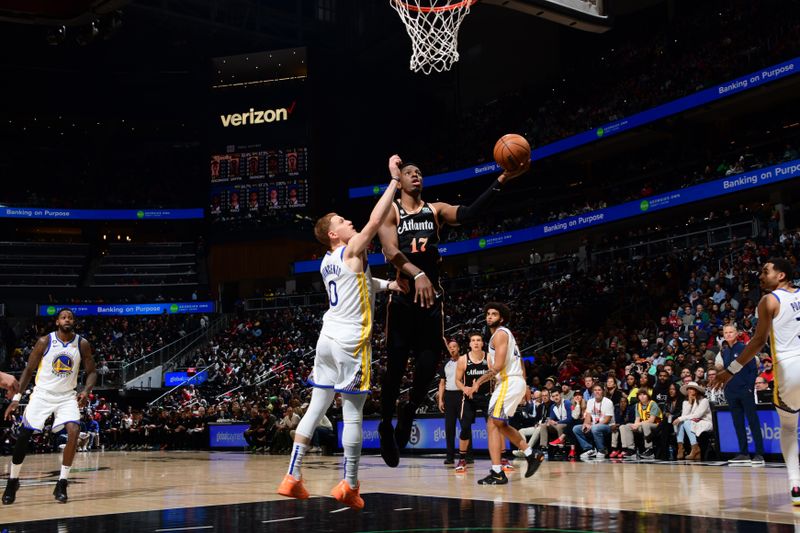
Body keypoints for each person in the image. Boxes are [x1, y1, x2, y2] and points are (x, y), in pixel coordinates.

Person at [376, 159, 528, 467]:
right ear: (400, 181)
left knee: (428, 369)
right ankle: (384, 424)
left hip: (431, 302)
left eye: (419, 172)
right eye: (409, 173)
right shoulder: (391, 210)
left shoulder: (435, 210)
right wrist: (416, 273)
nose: (415, 175)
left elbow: (471, 213)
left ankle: (408, 413)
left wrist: (501, 179)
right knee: (393, 370)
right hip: (404, 302)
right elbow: (391, 251)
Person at [276, 155, 407, 510]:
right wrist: (393, 182)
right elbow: (376, 220)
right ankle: (349, 484)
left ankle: (292, 476)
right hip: (351, 341)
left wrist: (390, 286)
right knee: (352, 414)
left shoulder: (328, 261)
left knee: (315, 408)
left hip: (327, 339)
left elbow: (360, 285)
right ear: (334, 234)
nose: (350, 222)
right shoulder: (352, 248)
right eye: (342, 221)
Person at [710, 258, 800, 503]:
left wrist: (731, 370)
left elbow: (759, 341)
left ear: (781, 275)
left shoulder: (769, 300)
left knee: (790, 427)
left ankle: (795, 485)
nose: (760, 275)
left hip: (791, 367)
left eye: (765, 271)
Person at [3, 308, 97, 504]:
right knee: (23, 436)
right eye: (63, 317)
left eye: (70, 317)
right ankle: (13, 480)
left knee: (74, 430)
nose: (67, 319)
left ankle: (62, 483)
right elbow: (29, 370)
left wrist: (86, 391)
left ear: (74, 322)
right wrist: (16, 397)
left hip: (66, 396)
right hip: (42, 394)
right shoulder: (45, 341)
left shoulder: (82, 344)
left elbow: (92, 372)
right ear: (57, 322)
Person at [467, 302, 543, 484]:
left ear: (501, 318)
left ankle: (498, 472)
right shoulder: (504, 336)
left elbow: (499, 367)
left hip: (508, 382)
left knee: (493, 423)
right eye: (487, 314)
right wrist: (524, 384)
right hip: (511, 382)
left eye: (494, 314)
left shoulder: (500, 334)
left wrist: (477, 382)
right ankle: (530, 455)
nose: (489, 316)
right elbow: (520, 361)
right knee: (497, 424)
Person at [716, 324, 764, 466]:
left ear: (737, 334)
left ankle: (759, 454)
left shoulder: (744, 348)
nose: (728, 334)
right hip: (731, 392)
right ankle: (744, 453)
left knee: (753, 422)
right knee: (738, 423)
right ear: (723, 335)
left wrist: (749, 388)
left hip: (745, 391)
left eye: (731, 332)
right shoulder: (724, 352)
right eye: (726, 332)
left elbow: (752, 370)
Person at [454, 331, 490, 473]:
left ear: (482, 343)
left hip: (487, 396)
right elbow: (457, 380)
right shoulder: (463, 359)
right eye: (473, 340)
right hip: (469, 397)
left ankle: (502, 458)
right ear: (469, 344)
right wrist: (465, 388)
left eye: (478, 340)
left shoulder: (489, 358)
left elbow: (494, 373)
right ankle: (462, 459)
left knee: (495, 426)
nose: (476, 342)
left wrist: (480, 383)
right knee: (465, 427)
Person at [572, 384, 613, 460]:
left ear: (603, 392)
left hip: (607, 426)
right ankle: (589, 449)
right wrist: (585, 424)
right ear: (593, 392)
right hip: (594, 426)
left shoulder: (608, 402)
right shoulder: (590, 401)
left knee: (595, 428)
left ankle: (602, 450)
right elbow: (588, 415)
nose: (597, 392)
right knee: (576, 428)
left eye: (599, 390)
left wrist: (592, 426)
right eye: (595, 390)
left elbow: (607, 419)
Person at [437, 339, 462, 465]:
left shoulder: (464, 360)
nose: (452, 349)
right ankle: (450, 457)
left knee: (465, 427)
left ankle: (467, 456)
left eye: (454, 346)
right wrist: (441, 399)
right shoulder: (445, 363)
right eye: (450, 347)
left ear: (458, 348)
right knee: (449, 428)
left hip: (462, 395)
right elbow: (442, 383)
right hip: (449, 396)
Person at [674, 381, 712, 461]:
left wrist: (680, 418)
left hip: (704, 422)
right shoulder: (685, 402)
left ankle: (695, 447)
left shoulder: (704, 400)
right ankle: (680, 448)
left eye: (692, 389)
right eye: (688, 389)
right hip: (693, 422)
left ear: (696, 390)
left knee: (685, 421)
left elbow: (697, 415)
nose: (689, 391)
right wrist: (690, 403)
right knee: (681, 422)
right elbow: (684, 415)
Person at [618, 389, 662, 459]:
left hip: (656, 425)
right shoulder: (638, 405)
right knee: (625, 426)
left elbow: (651, 420)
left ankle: (650, 450)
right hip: (643, 425)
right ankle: (630, 449)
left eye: (644, 394)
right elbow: (637, 419)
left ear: (648, 396)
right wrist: (635, 425)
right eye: (640, 395)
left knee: (645, 425)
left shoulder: (653, 404)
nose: (642, 396)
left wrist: (638, 424)